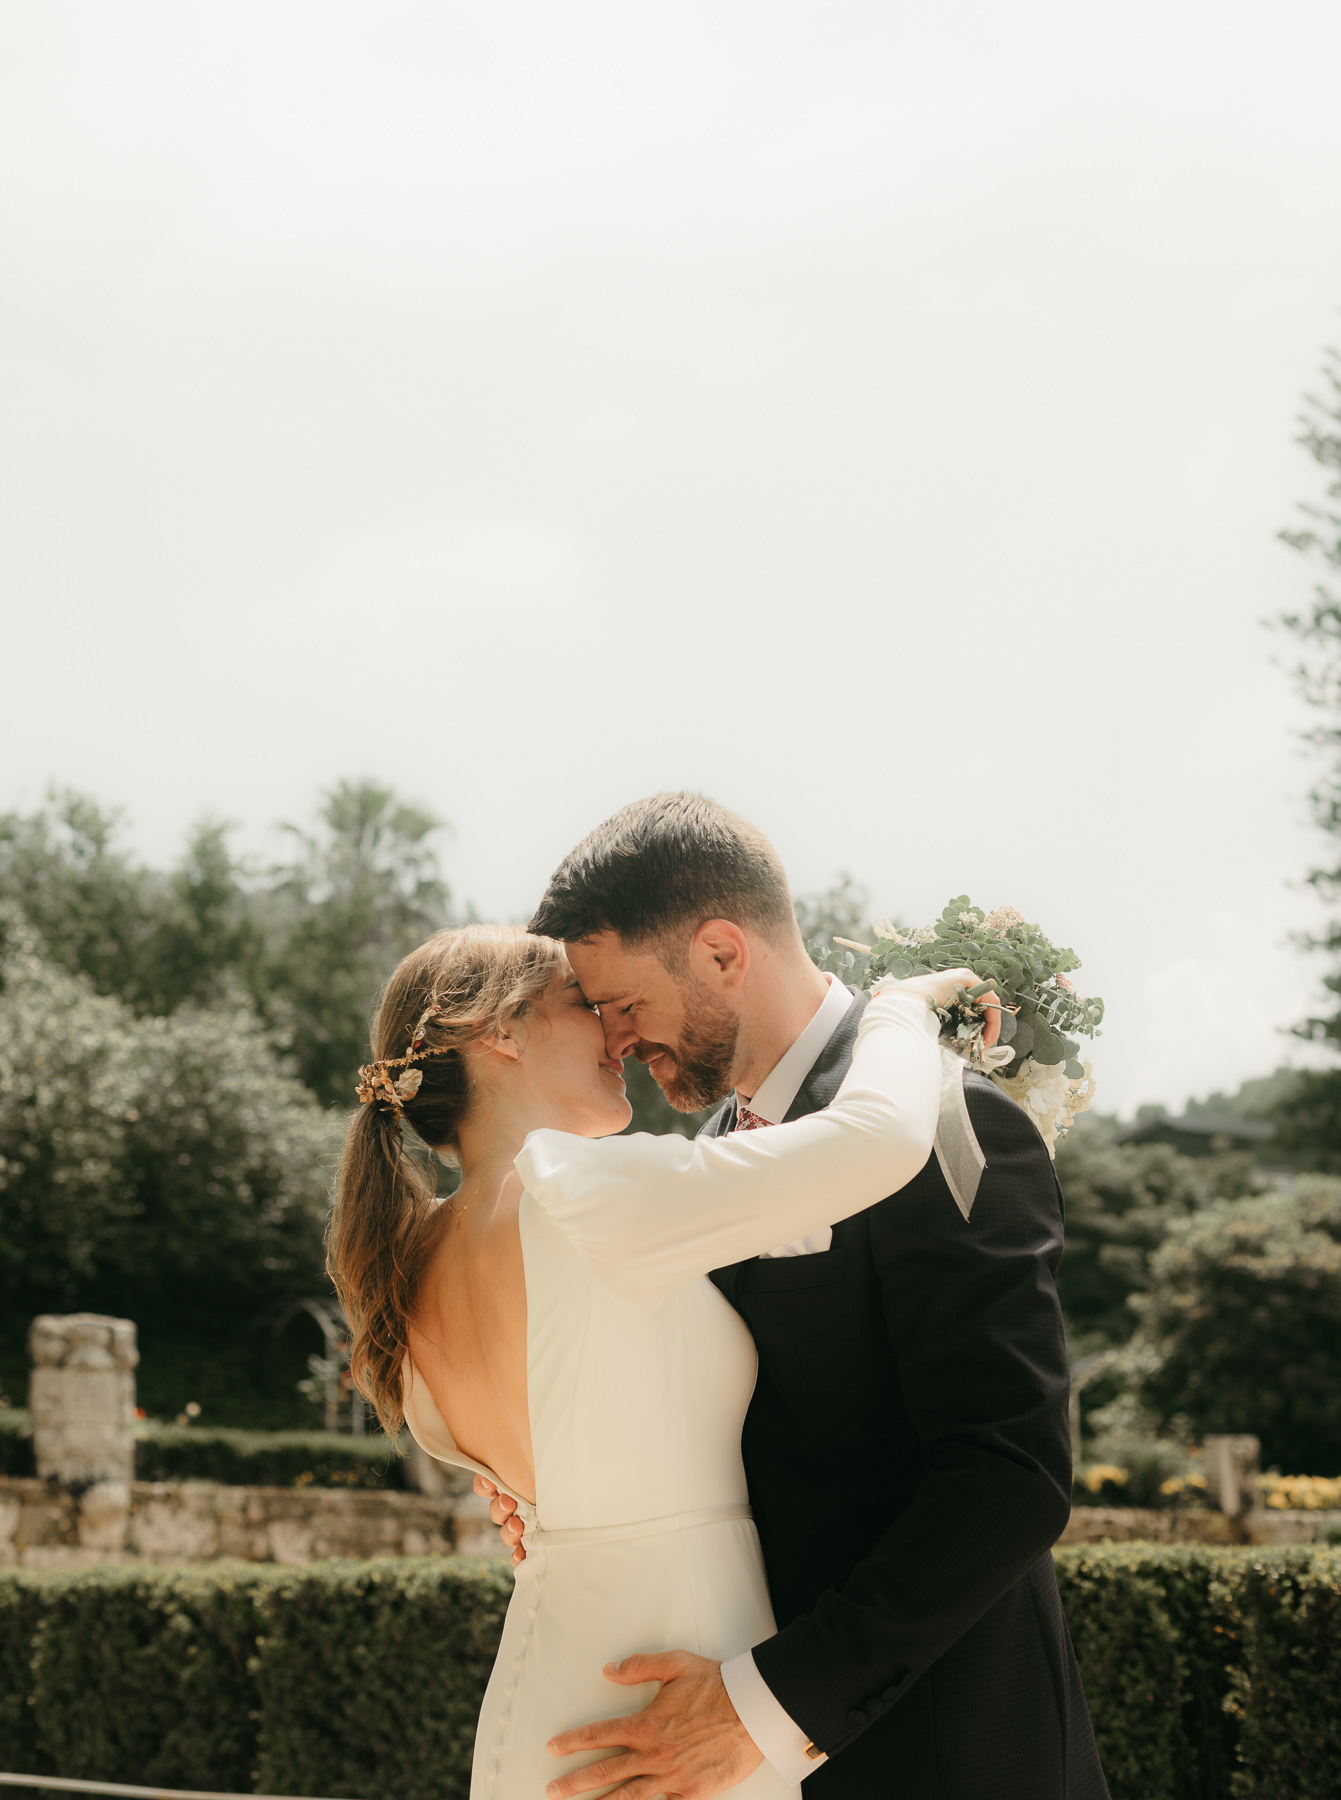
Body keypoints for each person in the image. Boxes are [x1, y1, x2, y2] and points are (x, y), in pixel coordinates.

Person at [484, 792, 1108, 1800]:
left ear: (724, 953)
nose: (613, 1041)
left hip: (938, 1757)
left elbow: (1008, 1473)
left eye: (624, 1005)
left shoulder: (952, 1122)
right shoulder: (688, 1167)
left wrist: (769, 1708)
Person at [328, 917, 980, 1800]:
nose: (616, 1035)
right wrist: (899, 1009)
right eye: (582, 1004)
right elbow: (881, 1140)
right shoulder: (573, 1189)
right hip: (670, 1708)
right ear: (501, 1031)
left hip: (555, 1698)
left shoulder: (410, 1262)